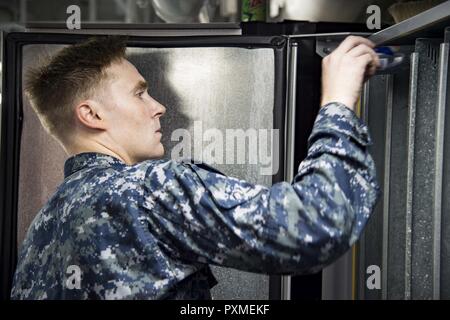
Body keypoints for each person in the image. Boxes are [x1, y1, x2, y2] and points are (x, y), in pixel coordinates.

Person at [11, 35, 381, 299]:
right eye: (140, 92)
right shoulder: (149, 190)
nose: (159, 107)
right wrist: (338, 102)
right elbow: (317, 225)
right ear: (91, 114)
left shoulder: (41, 230)